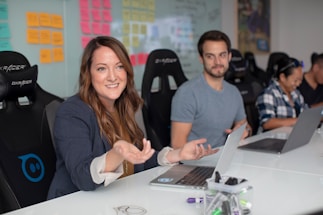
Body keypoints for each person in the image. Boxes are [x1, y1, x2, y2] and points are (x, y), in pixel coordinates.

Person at [47, 36, 218, 200]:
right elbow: (82, 176)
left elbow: (140, 159)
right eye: (102, 68)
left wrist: (177, 154)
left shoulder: (121, 106)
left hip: (118, 199)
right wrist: (117, 153)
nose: (113, 76)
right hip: (73, 205)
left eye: (119, 66)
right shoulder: (72, 112)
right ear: (88, 74)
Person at [170, 30, 250, 150]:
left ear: (229, 57)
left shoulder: (233, 92)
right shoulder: (187, 93)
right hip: (197, 163)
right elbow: (177, 146)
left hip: (225, 158)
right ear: (201, 59)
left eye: (222, 55)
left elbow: (245, 125)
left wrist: (244, 131)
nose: (217, 62)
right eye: (210, 56)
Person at [256, 57, 307, 131]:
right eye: (295, 80)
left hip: (293, 137)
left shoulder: (296, 94)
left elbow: (306, 113)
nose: (298, 84)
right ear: (282, 77)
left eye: (300, 80)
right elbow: (267, 123)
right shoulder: (269, 94)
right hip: (272, 140)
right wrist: (298, 120)